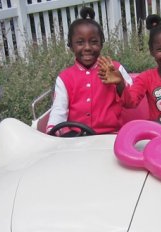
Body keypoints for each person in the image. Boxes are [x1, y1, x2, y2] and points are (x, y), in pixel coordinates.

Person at [98, 12, 161, 130]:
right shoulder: (146, 78)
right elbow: (130, 102)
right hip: (158, 135)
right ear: (152, 51)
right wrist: (120, 83)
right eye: (160, 49)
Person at [46, 7, 132, 136]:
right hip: (77, 139)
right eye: (80, 43)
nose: (87, 48)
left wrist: (120, 83)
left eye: (93, 42)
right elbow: (58, 112)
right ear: (71, 46)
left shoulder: (115, 68)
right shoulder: (65, 78)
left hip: (112, 136)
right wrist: (56, 134)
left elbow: (131, 102)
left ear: (101, 44)